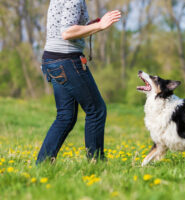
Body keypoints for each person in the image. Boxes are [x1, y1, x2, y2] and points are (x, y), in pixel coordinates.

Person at [36, 0, 121, 164]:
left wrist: (91, 25)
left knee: (65, 116)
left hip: (52, 60)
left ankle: (43, 164)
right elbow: (67, 33)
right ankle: (95, 163)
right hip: (66, 61)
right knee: (96, 110)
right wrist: (100, 26)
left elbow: (66, 27)